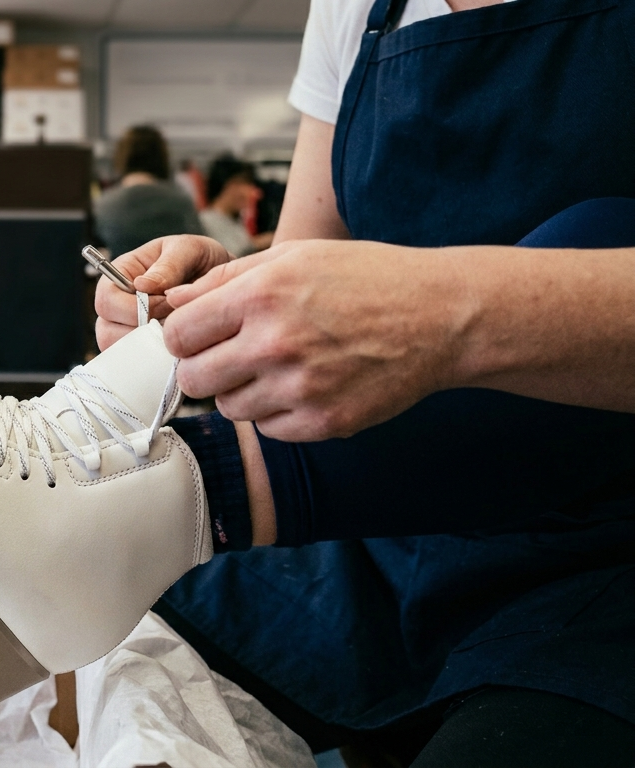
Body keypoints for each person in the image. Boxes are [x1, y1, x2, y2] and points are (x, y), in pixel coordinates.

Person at [89, 0, 635, 760]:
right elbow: (305, 258)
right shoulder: (358, 8)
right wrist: (226, 303)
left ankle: (126, 487)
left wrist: (443, 315)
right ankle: (105, 489)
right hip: (391, 525)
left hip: (605, 557)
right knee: (104, 607)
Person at [93, 125, 203, 259]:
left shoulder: (103, 204)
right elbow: (198, 247)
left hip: (118, 276)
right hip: (172, 277)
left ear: (122, 155)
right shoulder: (180, 202)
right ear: (162, 156)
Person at [196, 154, 274, 257]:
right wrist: (261, 242)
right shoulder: (206, 220)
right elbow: (230, 254)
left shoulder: (234, 220)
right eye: (246, 183)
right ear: (231, 185)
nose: (250, 192)